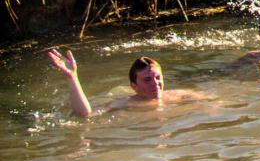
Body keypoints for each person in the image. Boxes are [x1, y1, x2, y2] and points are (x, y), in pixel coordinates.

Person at [47, 49, 209, 118]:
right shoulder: (124, 103)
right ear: (134, 86)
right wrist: (72, 77)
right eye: (147, 79)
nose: (156, 83)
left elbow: (213, 101)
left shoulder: (178, 95)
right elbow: (86, 115)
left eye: (158, 78)